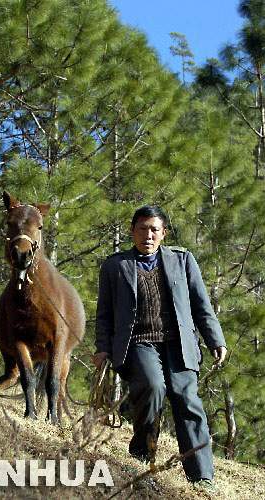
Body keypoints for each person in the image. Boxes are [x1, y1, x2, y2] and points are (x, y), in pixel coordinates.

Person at [93, 205, 227, 492]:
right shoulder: (115, 266)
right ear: (132, 231)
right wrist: (103, 348)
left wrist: (215, 339)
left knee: (187, 400)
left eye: (154, 229)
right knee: (153, 388)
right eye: (142, 228)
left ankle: (202, 476)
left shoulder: (182, 260)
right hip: (138, 342)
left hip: (180, 343)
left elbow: (201, 305)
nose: (148, 235)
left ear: (164, 233)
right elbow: (104, 313)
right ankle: (142, 454)